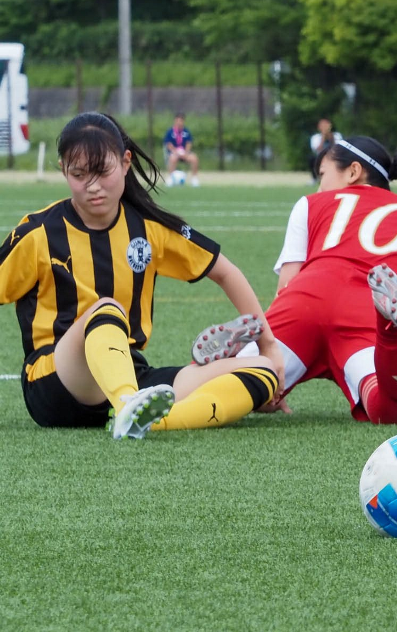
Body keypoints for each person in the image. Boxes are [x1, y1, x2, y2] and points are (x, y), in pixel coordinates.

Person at [0, 112, 281, 438]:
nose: (93, 187)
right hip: (56, 382)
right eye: (78, 174)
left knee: (262, 371)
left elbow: (225, 272)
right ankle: (127, 405)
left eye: (102, 172)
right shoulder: (38, 233)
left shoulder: (149, 228)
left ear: (125, 162)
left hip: (130, 372)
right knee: (107, 310)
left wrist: (269, 347)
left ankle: (154, 420)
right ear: (63, 169)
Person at [205, 136, 397, 422]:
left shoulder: (311, 203)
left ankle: (242, 359)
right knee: (392, 411)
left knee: (237, 390)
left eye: (323, 175)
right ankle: (390, 329)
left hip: (303, 305)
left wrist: (276, 374)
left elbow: (286, 287)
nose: (320, 186)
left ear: (353, 171)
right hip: (364, 317)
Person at [163, 112, 200, 186]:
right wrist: (175, 152)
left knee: (194, 158)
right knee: (172, 158)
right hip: (174, 152)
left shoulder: (186, 131)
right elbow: (168, 144)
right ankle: (170, 178)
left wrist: (186, 153)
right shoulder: (170, 132)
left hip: (184, 152)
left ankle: (194, 178)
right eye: (177, 121)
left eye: (180, 121)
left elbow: (189, 143)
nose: (179, 123)